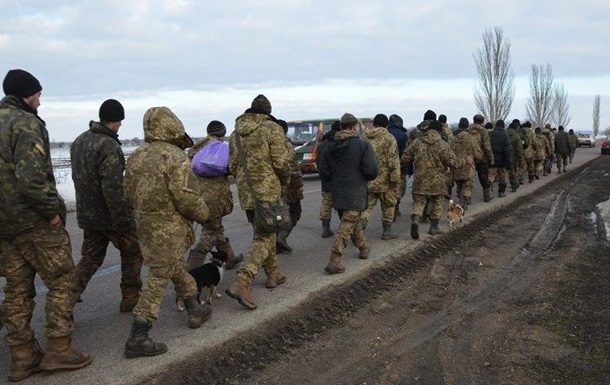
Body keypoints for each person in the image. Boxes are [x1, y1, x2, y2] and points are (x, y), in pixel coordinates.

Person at [0, 69, 91, 382]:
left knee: (17, 291)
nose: (40, 100)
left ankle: (22, 358)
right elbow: (30, 177)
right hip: (33, 221)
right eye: (38, 94)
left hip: (4, 226)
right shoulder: (25, 123)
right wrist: (52, 210)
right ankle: (58, 349)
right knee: (64, 281)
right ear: (28, 95)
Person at [123, 106, 212, 358]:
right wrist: (204, 213)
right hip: (170, 229)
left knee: (174, 268)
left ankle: (195, 309)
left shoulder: (137, 156)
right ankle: (138, 336)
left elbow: (127, 194)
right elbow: (186, 198)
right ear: (173, 126)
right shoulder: (175, 156)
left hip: (145, 226)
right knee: (159, 277)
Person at [70, 99, 143, 313]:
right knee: (133, 251)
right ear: (117, 120)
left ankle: (63, 303)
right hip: (109, 216)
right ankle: (131, 298)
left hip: (88, 215)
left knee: (89, 259)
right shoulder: (108, 145)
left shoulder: (79, 141)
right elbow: (113, 188)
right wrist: (123, 221)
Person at [225, 95, 292, 309]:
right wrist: (284, 181)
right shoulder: (272, 128)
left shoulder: (235, 133)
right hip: (268, 191)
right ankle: (242, 281)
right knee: (265, 236)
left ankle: (273, 274)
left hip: (247, 192)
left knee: (264, 231)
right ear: (267, 112)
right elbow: (281, 162)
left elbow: (232, 166)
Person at [319, 113, 378, 274]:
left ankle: (364, 248)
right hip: (356, 192)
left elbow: (323, 172)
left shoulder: (329, 146)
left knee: (351, 222)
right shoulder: (362, 145)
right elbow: (372, 171)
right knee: (346, 226)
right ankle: (334, 259)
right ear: (353, 127)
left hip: (338, 193)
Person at [187, 120, 243, 270]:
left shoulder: (195, 149)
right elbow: (231, 168)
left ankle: (230, 258)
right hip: (215, 198)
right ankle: (191, 270)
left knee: (215, 228)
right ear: (223, 134)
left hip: (197, 196)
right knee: (209, 233)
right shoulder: (222, 149)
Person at [402, 120, 466, 239]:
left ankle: (416, 219)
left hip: (420, 179)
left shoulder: (417, 142)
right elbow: (453, 162)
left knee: (419, 202)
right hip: (437, 180)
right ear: (440, 131)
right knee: (437, 201)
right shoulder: (442, 144)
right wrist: (464, 161)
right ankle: (434, 227)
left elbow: (405, 158)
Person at [362, 114, 400, 240]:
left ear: (374, 124)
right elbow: (393, 162)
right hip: (386, 181)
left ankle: (361, 225)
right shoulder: (389, 138)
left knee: (367, 207)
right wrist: (395, 181)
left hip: (368, 180)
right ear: (386, 124)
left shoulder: (364, 138)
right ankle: (387, 232)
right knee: (389, 205)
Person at [275, 119, 304, 254]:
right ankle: (281, 238)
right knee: (294, 212)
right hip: (288, 186)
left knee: (278, 214)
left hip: (272, 186)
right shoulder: (286, 145)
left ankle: (277, 241)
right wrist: (299, 185)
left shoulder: (269, 143)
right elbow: (292, 168)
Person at [450, 118, 482, 210]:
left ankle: (461, 199)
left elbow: (449, 152)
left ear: (459, 125)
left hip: (457, 166)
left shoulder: (453, 138)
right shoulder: (471, 138)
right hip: (469, 166)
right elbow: (478, 154)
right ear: (468, 126)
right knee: (468, 185)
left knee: (460, 185)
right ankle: (463, 201)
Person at [316, 121, 340, 238]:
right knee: (342, 204)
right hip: (339, 180)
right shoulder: (340, 143)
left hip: (326, 180)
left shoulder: (321, 145)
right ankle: (345, 228)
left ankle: (326, 228)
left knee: (326, 204)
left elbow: (318, 164)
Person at [386, 114, 408, 217]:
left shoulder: (384, 133)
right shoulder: (402, 135)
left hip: (383, 168)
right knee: (399, 189)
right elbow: (405, 153)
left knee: (387, 189)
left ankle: (391, 208)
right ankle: (395, 207)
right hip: (398, 166)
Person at [469, 114, 495, 202]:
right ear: (482, 121)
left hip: (470, 158)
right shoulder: (483, 131)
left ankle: (467, 199)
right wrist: (490, 158)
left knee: (469, 178)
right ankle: (487, 196)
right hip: (481, 158)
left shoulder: (469, 130)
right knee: (484, 178)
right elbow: (487, 146)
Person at [488, 120, 513, 198]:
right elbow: (508, 151)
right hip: (502, 161)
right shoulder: (505, 135)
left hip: (492, 161)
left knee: (490, 177)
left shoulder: (489, 134)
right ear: (503, 126)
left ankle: (489, 193)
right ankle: (501, 193)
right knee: (503, 177)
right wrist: (509, 163)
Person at [506, 122, 524, 192]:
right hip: (513, 156)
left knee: (504, 171)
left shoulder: (504, 134)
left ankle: (501, 190)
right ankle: (514, 185)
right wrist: (521, 159)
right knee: (513, 171)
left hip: (504, 155)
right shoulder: (516, 136)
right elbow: (519, 149)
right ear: (516, 128)